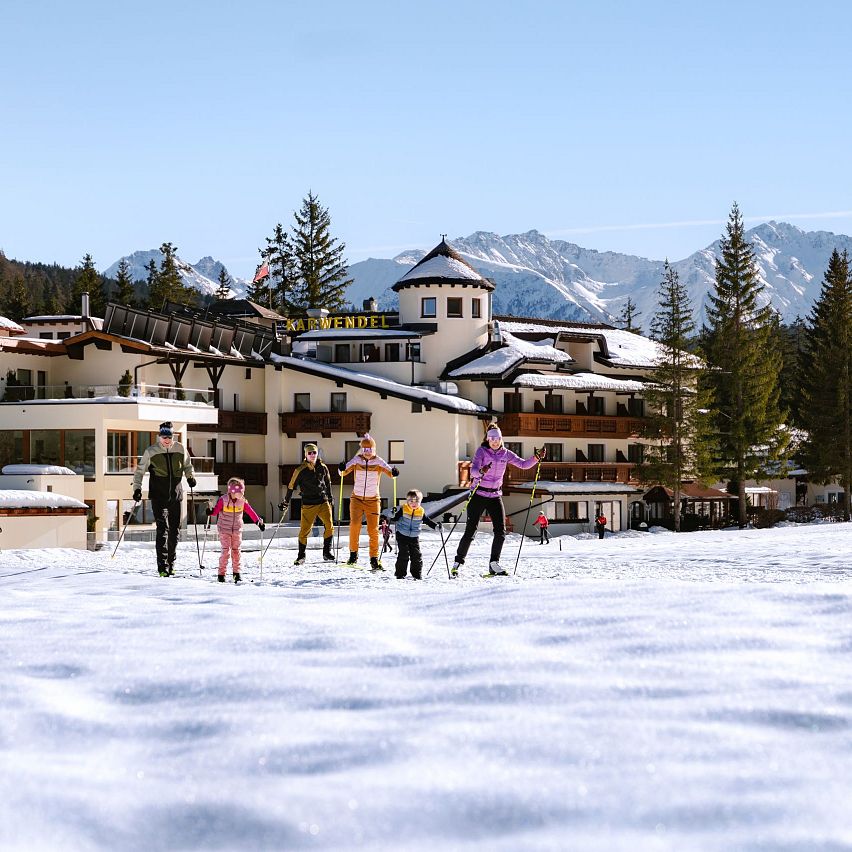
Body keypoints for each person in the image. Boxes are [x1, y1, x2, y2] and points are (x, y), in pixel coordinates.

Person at [452, 424, 544, 577]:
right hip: (478, 494)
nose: (495, 441)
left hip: (495, 495)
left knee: (500, 531)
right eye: (492, 439)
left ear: (501, 439)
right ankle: (458, 562)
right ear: (488, 439)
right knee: (471, 530)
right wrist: (481, 471)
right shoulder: (482, 451)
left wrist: (536, 458)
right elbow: (473, 470)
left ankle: (494, 563)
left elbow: (523, 464)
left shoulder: (505, 454)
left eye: (497, 438)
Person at [132, 421, 196, 577]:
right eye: (164, 436)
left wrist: (190, 477)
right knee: (163, 529)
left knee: (175, 531)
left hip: (176, 494)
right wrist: (137, 489)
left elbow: (187, 465)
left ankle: (171, 563)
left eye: (169, 436)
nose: (167, 439)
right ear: (159, 436)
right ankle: (162, 566)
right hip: (158, 495)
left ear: (173, 436)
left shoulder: (180, 448)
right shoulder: (151, 451)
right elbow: (139, 472)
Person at [338, 433, 399, 570]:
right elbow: (342, 473)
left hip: (373, 500)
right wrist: (340, 468)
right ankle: (353, 555)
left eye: (370, 449)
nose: (367, 452)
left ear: (374, 450)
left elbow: (391, 473)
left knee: (373, 530)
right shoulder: (356, 460)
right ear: (362, 450)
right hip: (357, 499)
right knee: (354, 526)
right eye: (365, 450)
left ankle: (374, 559)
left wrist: (395, 472)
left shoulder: (378, 461)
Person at [278, 443, 335, 565]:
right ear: (305, 455)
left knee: (329, 526)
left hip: (323, 501)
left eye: (314, 452)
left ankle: (327, 552)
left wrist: (330, 498)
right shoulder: (300, 470)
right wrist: (286, 501)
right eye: (310, 453)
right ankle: (301, 556)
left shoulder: (323, 467)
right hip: (309, 504)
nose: (312, 455)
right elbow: (291, 486)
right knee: (304, 531)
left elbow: (328, 483)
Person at [207, 477, 264, 583]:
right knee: (226, 551)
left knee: (236, 551)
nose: (240, 494)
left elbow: (251, 512)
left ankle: (236, 573)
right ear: (231, 490)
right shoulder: (223, 500)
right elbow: (215, 511)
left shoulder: (242, 501)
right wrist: (210, 511)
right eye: (238, 492)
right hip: (224, 529)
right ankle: (221, 574)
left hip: (237, 529)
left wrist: (258, 522)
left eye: (242, 492)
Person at [390, 489, 441, 580]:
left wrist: (436, 526)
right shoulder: (404, 509)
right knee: (404, 554)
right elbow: (395, 518)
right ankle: (400, 574)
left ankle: (416, 574)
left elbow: (428, 521)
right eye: (411, 501)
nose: (414, 503)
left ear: (420, 501)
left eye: (416, 501)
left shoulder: (421, 512)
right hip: (402, 534)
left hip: (414, 536)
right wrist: (393, 515)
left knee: (416, 555)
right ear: (407, 501)